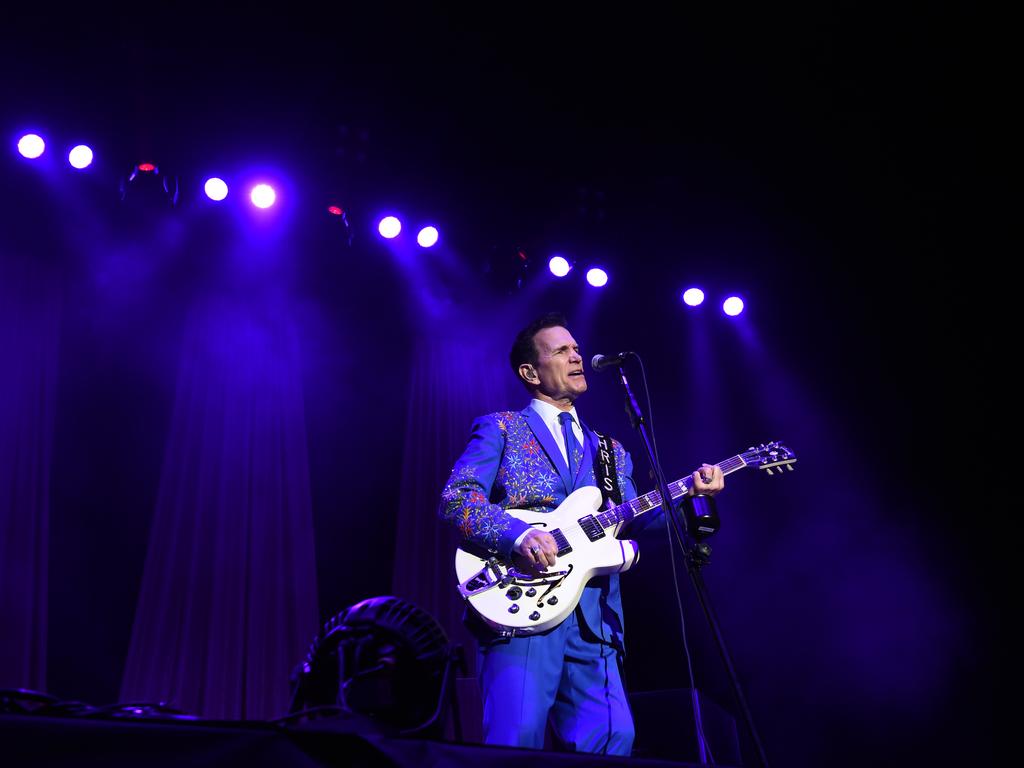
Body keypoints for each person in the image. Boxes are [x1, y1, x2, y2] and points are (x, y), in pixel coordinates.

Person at [438, 312, 724, 755]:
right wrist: (518, 536)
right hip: (523, 605)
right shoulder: (501, 428)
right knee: (517, 743)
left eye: (576, 348)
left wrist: (688, 496)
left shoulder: (610, 450)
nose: (577, 356)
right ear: (530, 372)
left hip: (595, 618)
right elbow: (457, 499)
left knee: (614, 741)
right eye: (561, 351)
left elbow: (635, 520)